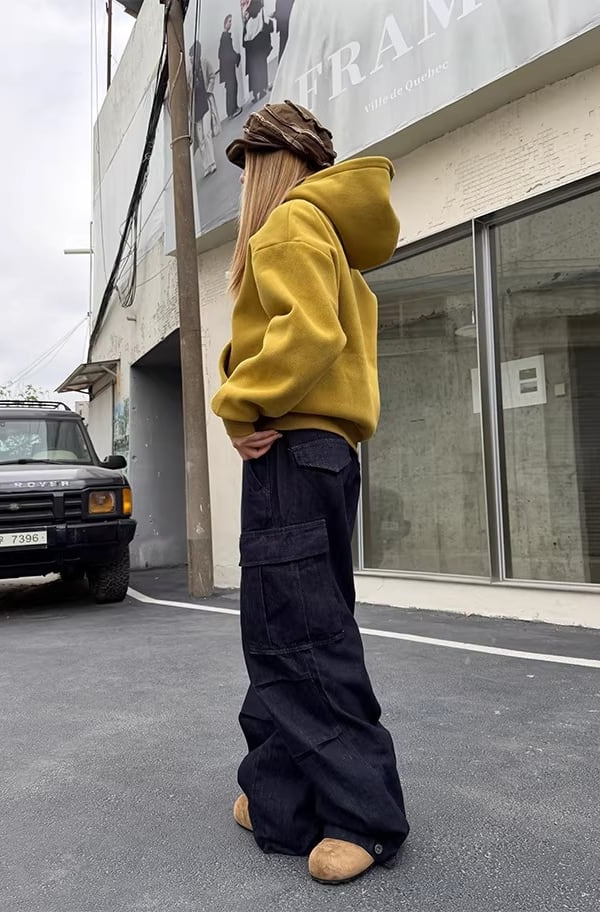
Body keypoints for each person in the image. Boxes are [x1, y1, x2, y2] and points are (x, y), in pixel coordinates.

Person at [211, 101, 410, 885]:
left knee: (296, 632)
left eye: (248, 168)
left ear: (273, 165)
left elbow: (309, 335)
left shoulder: (290, 224)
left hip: (292, 450)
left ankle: (364, 816)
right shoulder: (332, 236)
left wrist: (239, 403)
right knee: (293, 623)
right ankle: (281, 796)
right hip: (324, 454)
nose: (244, 185)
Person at [189, 40, 217, 178]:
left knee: (207, 134)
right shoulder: (190, 72)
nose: (191, 58)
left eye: (192, 55)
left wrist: (208, 91)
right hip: (196, 110)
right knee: (200, 140)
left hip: (205, 104)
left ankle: (212, 162)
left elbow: (212, 76)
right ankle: (206, 166)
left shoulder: (205, 63)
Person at [241, 0, 272, 104]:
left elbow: (245, 38)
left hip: (251, 49)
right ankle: (262, 89)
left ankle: (255, 93)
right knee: (262, 67)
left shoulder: (248, 18)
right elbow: (267, 25)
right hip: (260, 46)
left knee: (253, 71)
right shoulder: (260, 13)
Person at [218, 14, 243, 119]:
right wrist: (236, 56)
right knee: (231, 87)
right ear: (225, 23)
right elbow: (226, 53)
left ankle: (232, 110)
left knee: (231, 87)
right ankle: (232, 111)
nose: (230, 23)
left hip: (228, 68)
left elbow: (222, 54)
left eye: (231, 21)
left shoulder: (225, 36)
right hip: (228, 69)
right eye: (229, 21)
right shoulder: (225, 37)